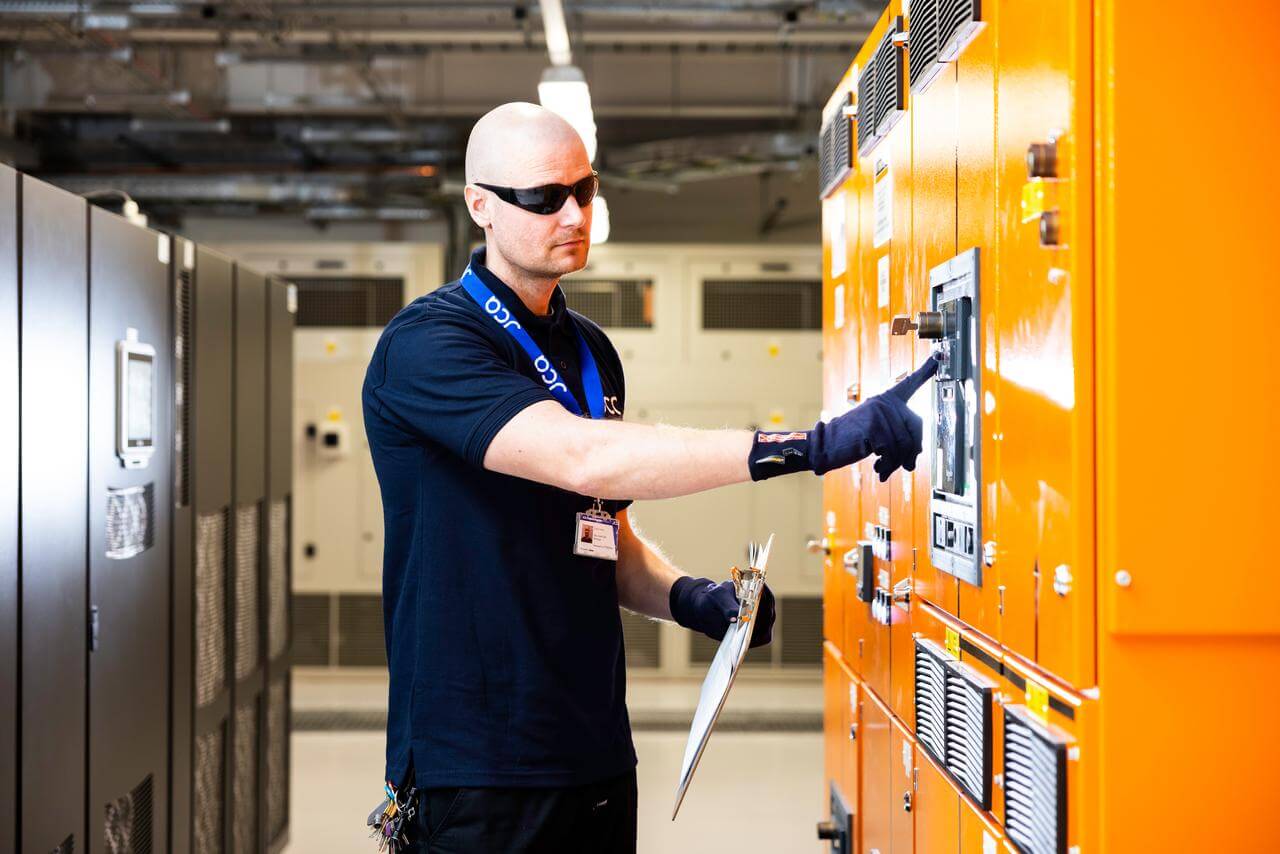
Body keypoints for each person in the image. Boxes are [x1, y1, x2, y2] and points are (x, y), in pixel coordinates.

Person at [361, 101, 939, 853]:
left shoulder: (591, 350)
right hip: (478, 767)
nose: (571, 213)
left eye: (584, 190)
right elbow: (583, 457)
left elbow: (599, 526)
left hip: (594, 754)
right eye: (543, 197)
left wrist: (691, 598)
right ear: (481, 206)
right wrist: (811, 445)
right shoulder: (430, 344)